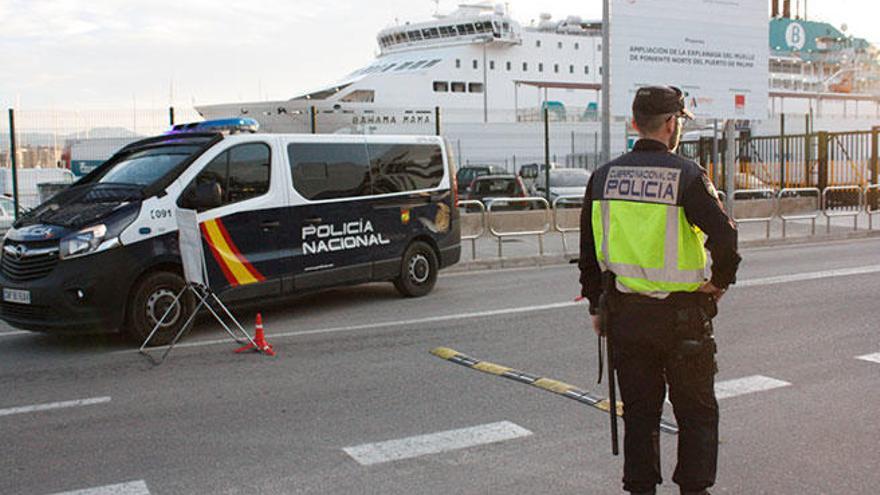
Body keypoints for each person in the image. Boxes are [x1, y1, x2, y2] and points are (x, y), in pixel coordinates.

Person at [578, 86, 741, 495]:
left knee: (640, 415)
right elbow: (726, 237)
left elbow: (588, 253)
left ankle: (640, 489)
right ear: (671, 125)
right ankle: (693, 490)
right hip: (683, 319)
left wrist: (597, 308)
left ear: (635, 123)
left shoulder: (602, 177)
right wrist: (718, 284)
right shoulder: (687, 176)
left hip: (627, 317)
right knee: (696, 415)